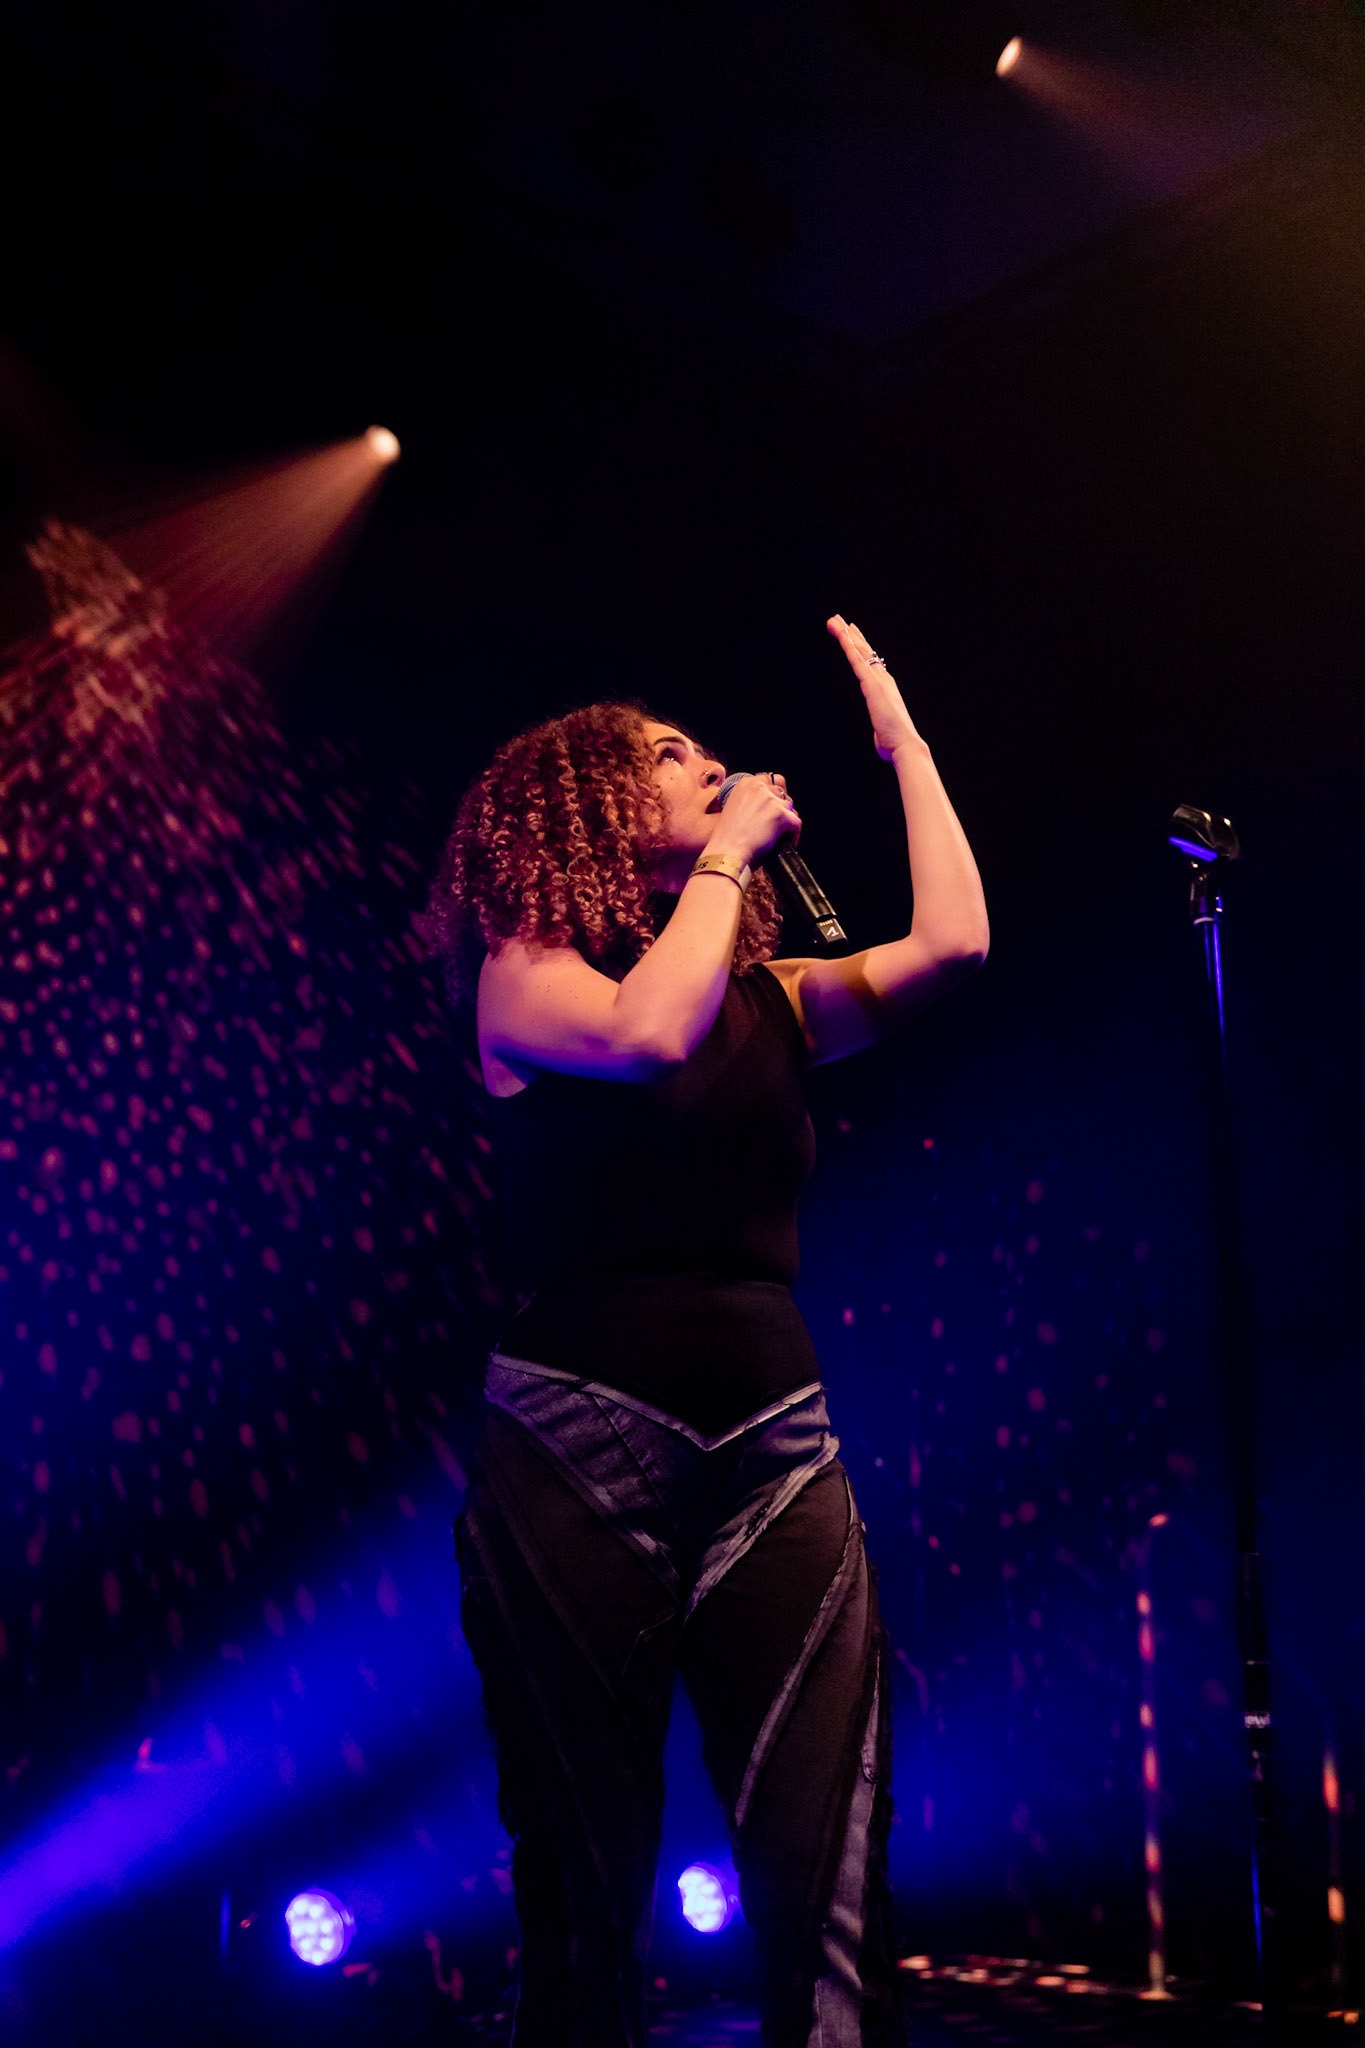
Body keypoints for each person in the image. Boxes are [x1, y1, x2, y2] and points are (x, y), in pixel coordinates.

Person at [423, 615, 988, 2047]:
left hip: (773, 1440)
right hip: (573, 1434)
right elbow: (644, 1037)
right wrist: (732, 857)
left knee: (826, 1848)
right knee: (583, 1859)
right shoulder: (523, 969)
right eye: (672, 756)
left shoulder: (771, 1000)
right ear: (590, 807)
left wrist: (901, 743)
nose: (713, 764)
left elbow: (955, 946)